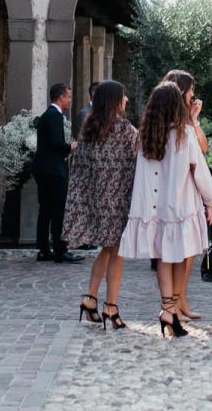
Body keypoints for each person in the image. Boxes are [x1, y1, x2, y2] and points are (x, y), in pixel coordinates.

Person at [119, 82, 212, 337]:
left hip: (155, 208)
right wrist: (210, 201)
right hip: (180, 206)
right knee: (177, 256)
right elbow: (199, 171)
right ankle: (170, 311)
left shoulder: (146, 137)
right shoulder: (183, 135)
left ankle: (168, 309)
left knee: (163, 257)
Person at [64, 80, 139, 329]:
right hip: (117, 201)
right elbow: (141, 156)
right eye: (123, 96)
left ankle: (90, 297)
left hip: (97, 199)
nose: (126, 100)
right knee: (116, 253)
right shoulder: (125, 129)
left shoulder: (89, 128)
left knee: (107, 251)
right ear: (114, 100)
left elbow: (81, 167)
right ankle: (111, 306)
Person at [160, 69, 211, 319]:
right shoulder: (171, 126)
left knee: (185, 252)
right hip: (181, 193)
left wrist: (194, 119)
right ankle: (174, 303)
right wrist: (210, 200)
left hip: (175, 194)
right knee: (178, 251)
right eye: (191, 90)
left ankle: (178, 301)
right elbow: (198, 159)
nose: (194, 95)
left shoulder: (185, 124)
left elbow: (203, 147)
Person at [34, 83, 81, 263]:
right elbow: (56, 144)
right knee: (58, 210)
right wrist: (71, 147)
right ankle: (61, 250)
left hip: (43, 168)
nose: (69, 101)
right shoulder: (55, 116)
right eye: (68, 97)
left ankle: (44, 249)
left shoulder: (48, 115)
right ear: (61, 98)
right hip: (53, 170)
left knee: (45, 210)